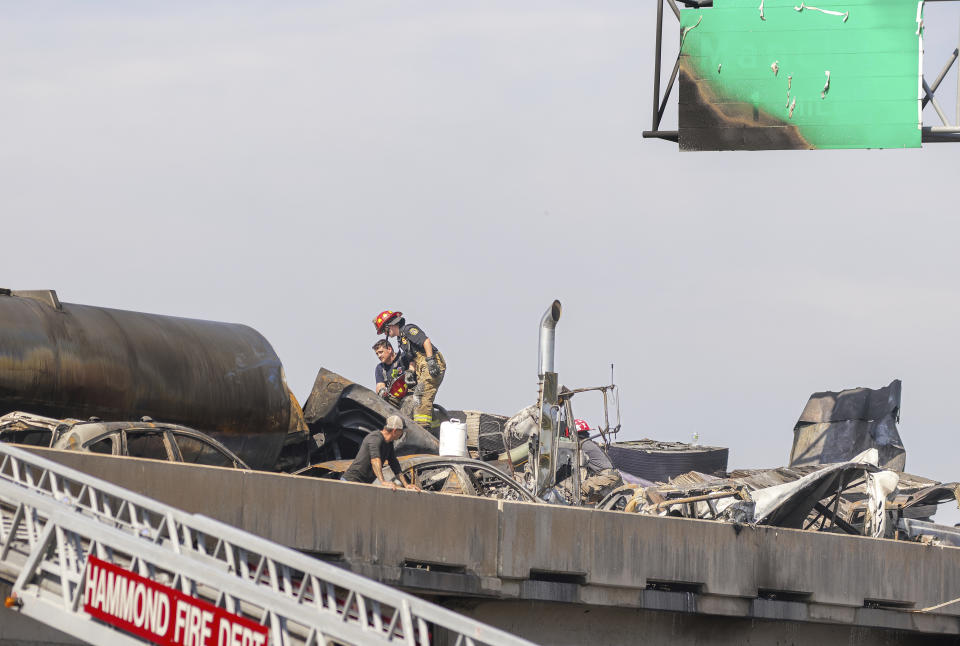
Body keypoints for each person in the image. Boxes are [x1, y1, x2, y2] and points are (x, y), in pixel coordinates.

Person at [372, 310, 446, 429]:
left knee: (420, 396)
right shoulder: (401, 339)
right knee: (419, 397)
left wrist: (431, 360)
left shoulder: (408, 330)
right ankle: (430, 426)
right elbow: (412, 357)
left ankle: (423, 429)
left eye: (385, 330)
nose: (386, 333)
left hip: (431, 363)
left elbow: (426, 341)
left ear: (389, 326)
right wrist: (411, 371)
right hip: (421, 366)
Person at [342, 415, 421, 491]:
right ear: (395, 431)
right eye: (401, 431)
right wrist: (383, 482)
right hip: (350, 481)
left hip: (363, 484)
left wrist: (406, 485)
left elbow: (394, 464)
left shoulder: (389, 443)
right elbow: (375, 460)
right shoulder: (375, 438)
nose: (402, 434)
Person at [574, 419, 623, 503]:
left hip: (607, 477)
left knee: (581, 489)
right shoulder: (589, 443)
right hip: (612, 475)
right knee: (594, 498)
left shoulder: (583, 444)